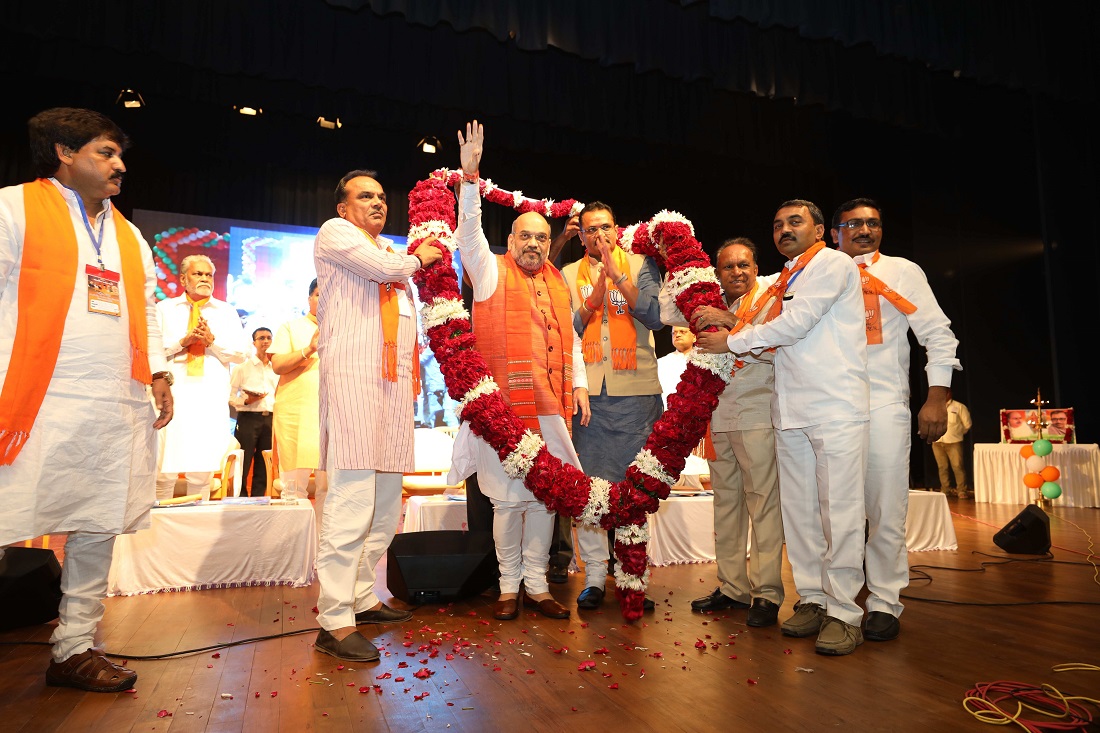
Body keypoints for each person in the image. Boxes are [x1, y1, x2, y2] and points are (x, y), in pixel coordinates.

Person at [0, 107, 173, 691]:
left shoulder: (128, 234)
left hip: (111, 404)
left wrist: (159, 375)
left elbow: (146, 310)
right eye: (106, 152)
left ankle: (73, 648)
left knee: (97, 525)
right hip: (29, 400)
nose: (120, 164)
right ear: (63, 153)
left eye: (121, 154)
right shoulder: (13, 207)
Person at [697, 199, 870, 655]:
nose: (785, 230)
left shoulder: (832, 263)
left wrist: (731, 339)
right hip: (789, 410)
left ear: (820, 229)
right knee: (800, 517)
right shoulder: (789, 276)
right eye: (777, 224)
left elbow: (795, 324)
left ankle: (846, 613)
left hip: (834, 405)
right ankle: (812, 600)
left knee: (841, 514)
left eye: (795, 222)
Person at [447, 120, 591, 622]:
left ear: (550, 243)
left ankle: (537, 584)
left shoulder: (556, 281)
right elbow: (468, 236)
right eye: (526, 236)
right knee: (508, 504)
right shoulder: (489, 272)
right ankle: (509, 587)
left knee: (545, 501)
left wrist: (579, 386)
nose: (534, 244)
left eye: (542, 237)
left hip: (551, 411)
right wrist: (470, 179)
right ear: (510, 239)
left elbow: (570, 337)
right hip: (503, 415)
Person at [311, 169, 443, 662]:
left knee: (386, 504)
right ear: (344, 208)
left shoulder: (390, 254)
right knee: (350, 504)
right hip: (353, 385)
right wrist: (420, 257)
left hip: (393, 390)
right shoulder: (337, 233)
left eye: (383, 196)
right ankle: (334, 620)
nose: (378, 202)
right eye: (365, 196)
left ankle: (362, 598)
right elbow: (386, 270)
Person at [833, 198, 962, 641]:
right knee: (836, 512)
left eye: (873, 222)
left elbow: (937, 335)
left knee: (885, 507)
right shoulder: (817, 273)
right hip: (828, 408)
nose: (865, 230)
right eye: (854, 223)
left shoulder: (902, 271)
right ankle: (838, 602)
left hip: (884, 403)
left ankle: (885, 601)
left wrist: (937, 398)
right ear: (834, 232)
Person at [560, 200, 665, 611]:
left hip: (636, 392)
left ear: (617, 229)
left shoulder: (642, 265)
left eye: (605, 227)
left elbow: (656, 317)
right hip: (589, 394)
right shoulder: (568, 274)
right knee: (592, 489)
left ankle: (632, 576)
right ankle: (594, 578)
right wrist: (595, 295)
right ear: (581, 235)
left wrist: (618, 277)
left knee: (632, 489)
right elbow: (563, 328)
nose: (598, 235)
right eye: (590, 229)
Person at [677, 238, 784, 626]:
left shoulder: (772, 300)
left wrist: (730, 324)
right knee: (726, 505)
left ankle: (768, 594)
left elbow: (777, 346)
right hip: (720, 417)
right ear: (718, 273)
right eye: (728, 267)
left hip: (757, 414)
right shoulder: (712, 303)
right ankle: (734, 587)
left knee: (763, 504)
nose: (737, 272)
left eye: (744, 265)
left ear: (756, 268)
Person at [155, 254, 247, 499]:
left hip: (208, 397)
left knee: (202, 468)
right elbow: (152, 349)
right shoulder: (165, 309)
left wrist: (211, 342)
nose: (205, 278)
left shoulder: (226, 312)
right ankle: (159, 528)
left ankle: (198, 524)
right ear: (183, 279)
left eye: (209, 274)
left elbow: (240, 353)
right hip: (173, 395)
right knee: (164, 468)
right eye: (198, 274)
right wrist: (182, 342)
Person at [271, 279, 326, 521]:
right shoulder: (291, 327)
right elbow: (278, 364)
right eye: (317, 294)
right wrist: (309, 349)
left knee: (331, 490)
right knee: (293, 490)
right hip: (296, 415)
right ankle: (295, 554)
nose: (322, 299)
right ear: (309, 299)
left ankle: (326, 553)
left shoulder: (345, 329)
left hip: (332, 416)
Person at [229, 327, 278, 496]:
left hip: (270, 419)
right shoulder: (242, 368)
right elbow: (230, 397)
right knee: (244, 458)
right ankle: (240, 497)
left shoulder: (277, 368)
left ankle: (259, 497)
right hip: (248, 418)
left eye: (269, 338)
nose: (265, 341)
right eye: (261, 338)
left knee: (265, 461)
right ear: (254, 342)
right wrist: (246, 401)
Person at [933, 389, 972, 498]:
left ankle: (961, 490)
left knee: (957, 466)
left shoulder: (959, 406)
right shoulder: (935, 407)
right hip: (937, 442)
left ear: (949, 394)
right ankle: (945, 490)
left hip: (954, 441)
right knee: (942, 467)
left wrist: (957, 434)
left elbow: (967, 424)